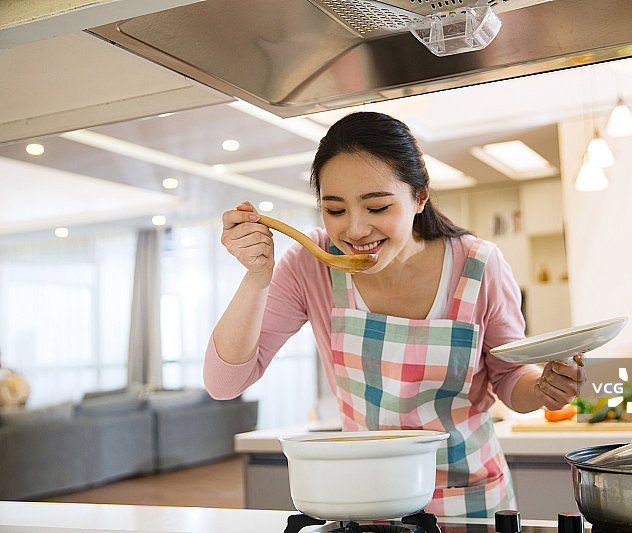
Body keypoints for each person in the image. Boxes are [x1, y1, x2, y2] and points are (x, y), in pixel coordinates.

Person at [204, 111, 586, 518]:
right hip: (369, 499)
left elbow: (509, 379)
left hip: (468, 499)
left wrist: (543, 389)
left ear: (419, 197)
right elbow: (225, 382)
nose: (355, 230)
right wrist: (258, 276)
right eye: (335, 211)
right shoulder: (311, 265)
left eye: (378, 207)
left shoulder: (478, 266)